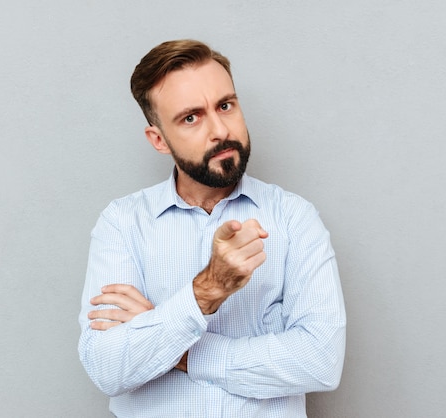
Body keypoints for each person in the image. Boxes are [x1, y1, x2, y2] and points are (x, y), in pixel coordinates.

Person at [78, 39, 346, 418]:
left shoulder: (294, 218)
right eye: (191, 117)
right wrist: (208, 290)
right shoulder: (122, 224)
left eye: (225, 105)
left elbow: (320, 361)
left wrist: (176, 346)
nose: (220, 130)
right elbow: (107, 370)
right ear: (159, 140)